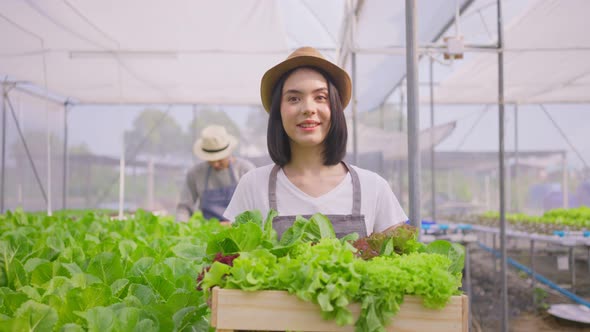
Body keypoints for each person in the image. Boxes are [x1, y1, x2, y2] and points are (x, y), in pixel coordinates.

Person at [223, 47, 407, 238]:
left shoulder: (374, 187)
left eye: (320, 97)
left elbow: (401, 260)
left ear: (334, 108)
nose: (308, 108)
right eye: (294, 98)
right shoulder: (253, 186)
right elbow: (234, 258)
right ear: (279, 111)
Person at [176, 125, 255, 222]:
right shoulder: (195, 173)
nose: (215, 164)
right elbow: (184, 207)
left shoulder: (245, 170)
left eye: (219, 159)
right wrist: (181, 227)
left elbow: (257, 206)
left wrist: (234, 224)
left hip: (241, 231)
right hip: (209, 233)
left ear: (228, 152)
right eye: (211, 159)